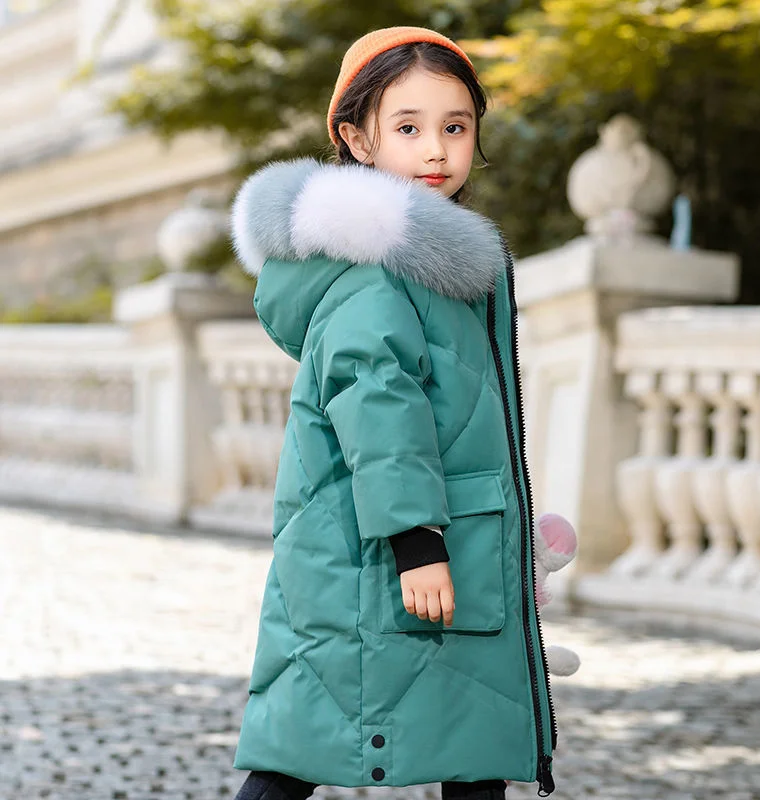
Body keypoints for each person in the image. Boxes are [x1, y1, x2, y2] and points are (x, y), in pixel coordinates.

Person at [229, 26, 557, 800]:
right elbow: (379, 404)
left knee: (468, 744)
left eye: (456, 126)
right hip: (386, 550)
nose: (436, 149)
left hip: (442, 540)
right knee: (306, 749)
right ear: (356, 138)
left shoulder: (432, 270)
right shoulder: (373, 272)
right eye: (408, 128)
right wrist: (416, 540)